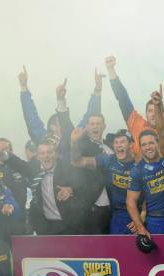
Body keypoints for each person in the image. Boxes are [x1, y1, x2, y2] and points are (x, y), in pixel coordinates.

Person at [126, 90, 164, 237]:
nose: (148, 147)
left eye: (151, 143)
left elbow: (162, 132)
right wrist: (140, 227)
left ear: (158, 143)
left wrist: (157, 105)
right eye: (144, 145)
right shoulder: (138, 170)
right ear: (140, 147)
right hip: (156, 221)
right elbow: (130, 201)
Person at [105, 56, 164, 155]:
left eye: (157, 110)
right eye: (149, 111)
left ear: (163, 114)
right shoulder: (137, 124)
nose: (153, 114)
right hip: (140, 169)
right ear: (146, 114)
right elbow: (123, 99)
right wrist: (111, 70)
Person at [71, 128, 138, 235]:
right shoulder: (108, 160)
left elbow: (150, 194)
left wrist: (141, 218)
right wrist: (74, 142)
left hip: (138, 215)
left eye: (123, 142)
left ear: (131, 144)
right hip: (118, 215)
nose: (119, 145)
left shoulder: (139, 163)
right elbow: (77, 162)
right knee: (117, 250)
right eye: (116, 142)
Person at [72, 69, 113, 234]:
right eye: (92, 124)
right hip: (90, 209)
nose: (95, 126)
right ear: (87, 127)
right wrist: (97, 90)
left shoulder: (111, 148)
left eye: (99, 123)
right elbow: (75, 159)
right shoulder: (83, 145)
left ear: (104, 126)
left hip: (112, 210)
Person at [18, 67, 74, 162]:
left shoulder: (73, 138)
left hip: (68, 175)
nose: (64, 123)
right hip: (46, 174)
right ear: (52, 126)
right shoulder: (43, 137)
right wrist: (24, 87)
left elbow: (66, 119)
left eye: (64, 120)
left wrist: (61, 100)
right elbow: (31, 118)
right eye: (60, 122)